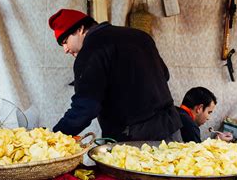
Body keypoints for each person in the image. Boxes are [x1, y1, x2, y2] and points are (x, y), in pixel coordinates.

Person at [48, 8, 182, 141]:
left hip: (137, 138)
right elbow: (164, 75)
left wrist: (55, 137)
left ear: (80, 29)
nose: (65, 49)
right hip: (171, 126)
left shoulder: (90, 52)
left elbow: (86, 107)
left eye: (65, 41)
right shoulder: (140, 36)